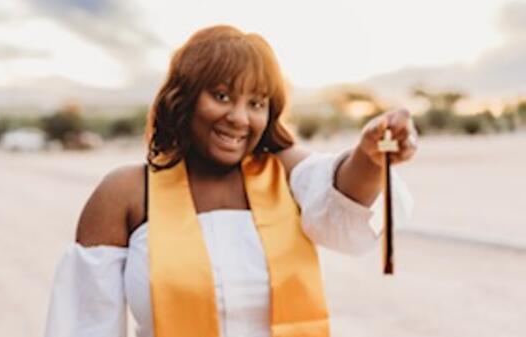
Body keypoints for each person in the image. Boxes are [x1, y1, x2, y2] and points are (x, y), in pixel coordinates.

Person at [44, 25, 417, 337]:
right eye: (222, 95)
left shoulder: (283, 175)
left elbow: (340, 200)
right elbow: (84, 325)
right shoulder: (126, 194)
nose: (239, 118)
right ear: (184, 97)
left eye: (256, 103)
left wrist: (369, 158)